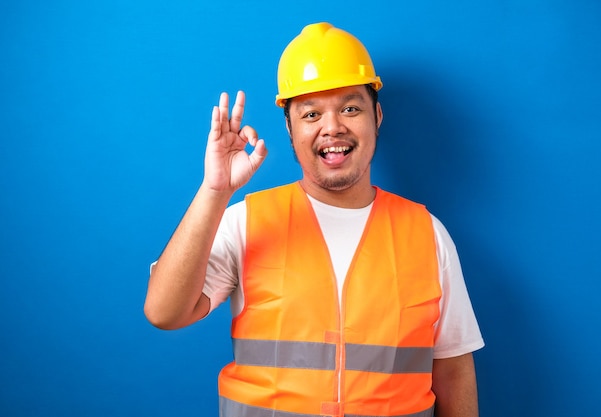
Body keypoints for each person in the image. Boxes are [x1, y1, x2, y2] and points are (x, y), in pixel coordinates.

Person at [145, 22, 484, 417]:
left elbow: (454, 370)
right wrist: (215, 191)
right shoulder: (247, 222)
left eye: (351, 108)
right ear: (289, 127)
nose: (332, 127)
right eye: (310, 114)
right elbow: (163, 312)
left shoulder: (427, 235)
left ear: (377, 116)